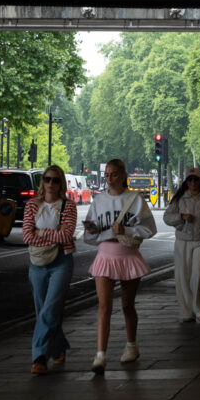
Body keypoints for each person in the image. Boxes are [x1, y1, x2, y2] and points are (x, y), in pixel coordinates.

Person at [83, 159, 157, 374]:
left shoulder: (135, 199)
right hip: (105, 254)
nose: (109, 179)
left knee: (127, 305)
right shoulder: (99, 200)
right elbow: (89, 235)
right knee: (104, 306)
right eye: (106, 175)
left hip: (128, 255)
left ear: (123, 174)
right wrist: (92, 230)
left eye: (113, 174)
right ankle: (100, 355)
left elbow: (150, 228)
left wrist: (127, 230)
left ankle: (131, 346)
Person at [22, 165, 77, 375]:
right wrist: (53, 232)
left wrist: (40, 232)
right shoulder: (32, 205)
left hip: (61, 261)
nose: (51, 183)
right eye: (47, 179)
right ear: (42, 182)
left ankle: (39, 357)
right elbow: (27, 236)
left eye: (55, 180)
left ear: (61, 183)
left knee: (50, 308)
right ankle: (57, 346)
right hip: (37, 262)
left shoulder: (68, 206)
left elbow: (66, 235)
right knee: (42, 310)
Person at [164, 168, 200, 322]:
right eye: (190, 179)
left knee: (197, 274)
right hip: (182, 241)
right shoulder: (179, 198)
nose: (193, 182)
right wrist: (181, 217)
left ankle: (199, 308)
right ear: (186, 182)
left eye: (196, 179)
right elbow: (167, 217)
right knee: (182, 277)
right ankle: (186, 311)